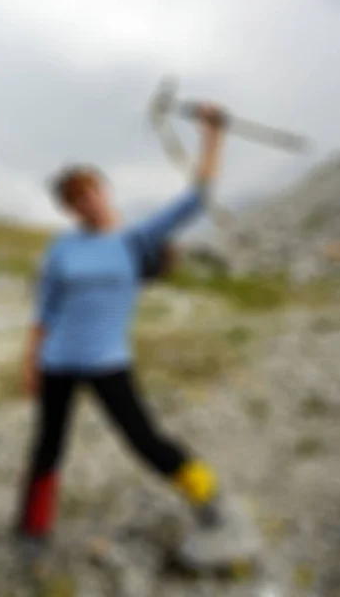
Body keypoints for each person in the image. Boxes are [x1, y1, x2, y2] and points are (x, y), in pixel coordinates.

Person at [15, 104, 227, 561]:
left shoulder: (135, 240)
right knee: (47, 446)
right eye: (76, 199)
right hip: (58, 362)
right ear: (69, 208)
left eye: (91, 192)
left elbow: (197, 199)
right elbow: (44, 310)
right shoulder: (62, 248)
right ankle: (32, 530)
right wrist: (30, 361)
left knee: (144, 439)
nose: (87, 202)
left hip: (109, 360)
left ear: (103, 191)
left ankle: (208, 496)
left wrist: (212, 136)